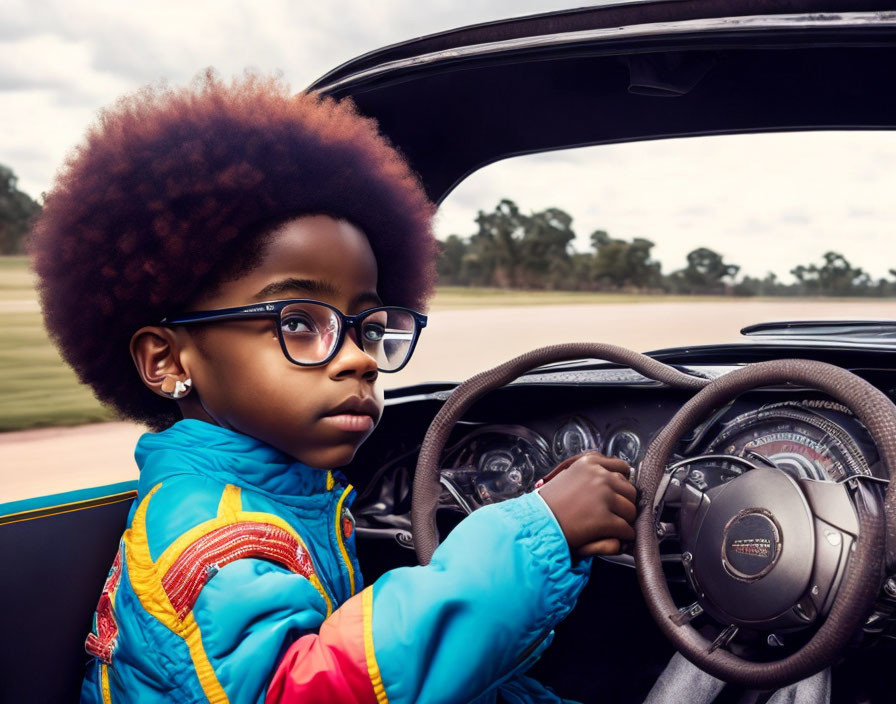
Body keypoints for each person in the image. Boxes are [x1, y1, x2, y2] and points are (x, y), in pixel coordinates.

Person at [31, 72, 637, 704]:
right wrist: (538, 531)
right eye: (297, 322)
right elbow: (317, 688)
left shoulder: (283, 496)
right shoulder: (211, 534)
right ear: (167, 360)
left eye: (369, 327)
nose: (359, 360)